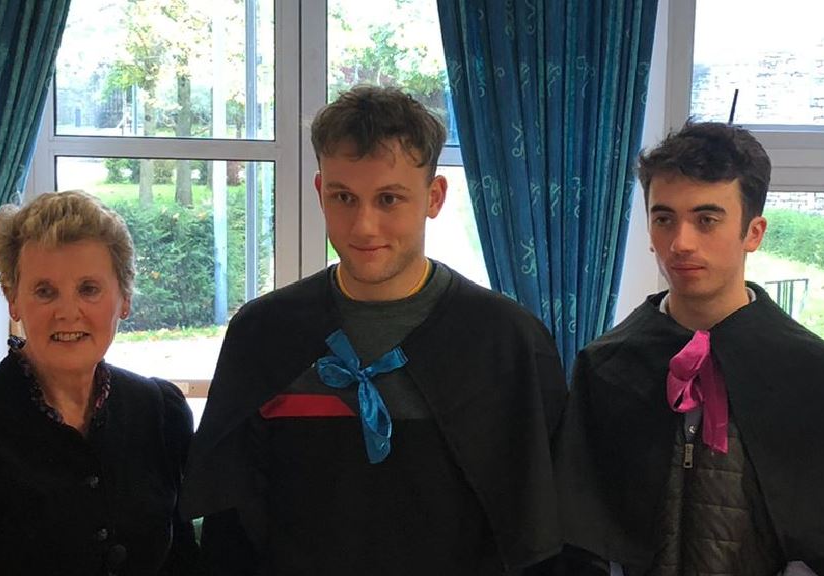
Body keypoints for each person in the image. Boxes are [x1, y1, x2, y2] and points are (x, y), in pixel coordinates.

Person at [180, 85, 567, 575]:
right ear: (320, 191)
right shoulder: (262, 335)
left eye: (389, 199)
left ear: (434, 197)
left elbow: (540, 536)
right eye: (344, 197)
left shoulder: (508, 343)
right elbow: (228, 529)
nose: (364, 226)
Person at [553, 121, 824, 576]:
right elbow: (581, 541)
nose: (681, 243)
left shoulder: (812, 373)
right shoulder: (606, 367)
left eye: (707, 220)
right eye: (664, 219)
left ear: (754, 232)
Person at [0, 190, 198, 575]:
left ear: (124, 298)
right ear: (13, 299)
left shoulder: (160, 412)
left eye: (89, 289)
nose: (68, 312)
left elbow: (183, 561)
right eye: (45, 291)